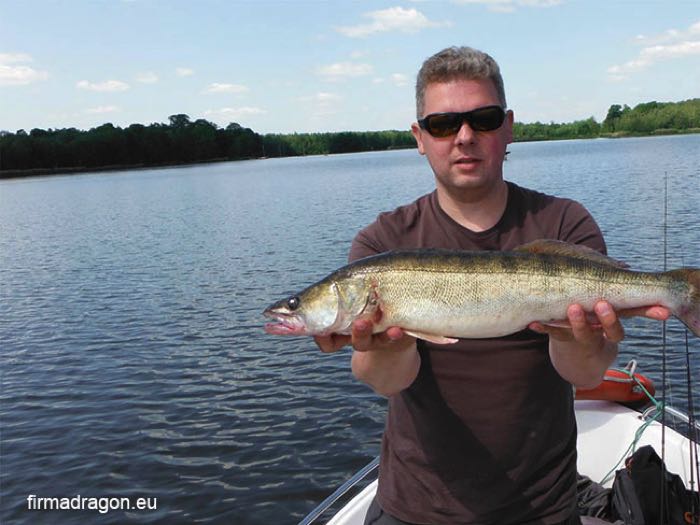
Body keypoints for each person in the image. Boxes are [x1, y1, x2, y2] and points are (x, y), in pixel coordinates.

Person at [314, 46, 670, 525]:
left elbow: (585, 374)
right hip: (416, 507)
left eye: (483, 119)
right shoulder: (383, 243)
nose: (464, 137)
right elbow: (385, 380)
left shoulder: (563, 222)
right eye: (442, 124)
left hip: (542, 507)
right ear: (420, 137)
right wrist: (388, 345)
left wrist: (578, 337)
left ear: (508, 127)